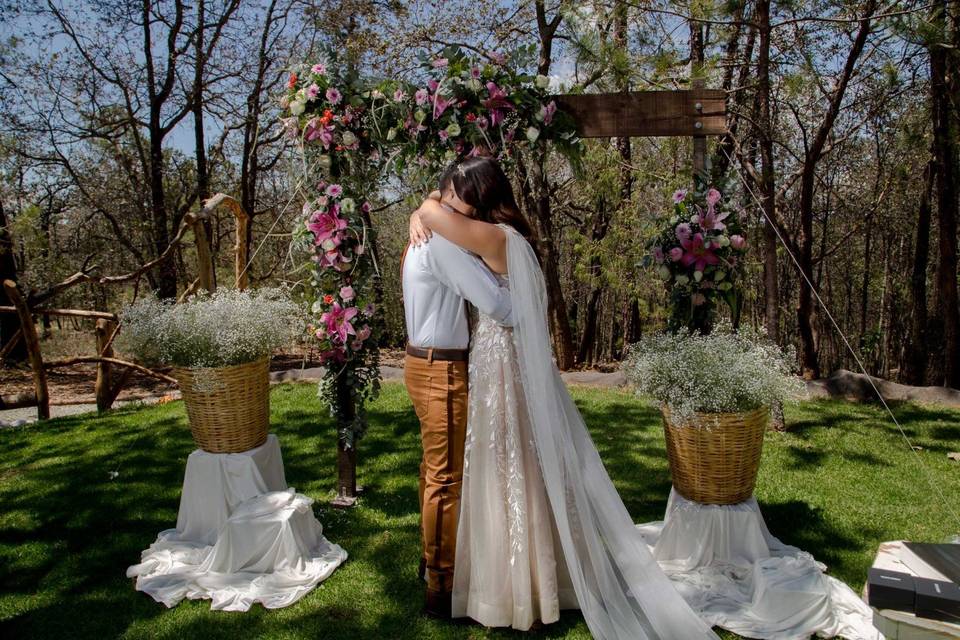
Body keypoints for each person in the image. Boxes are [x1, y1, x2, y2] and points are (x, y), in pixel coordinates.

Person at [408, 156, 720, 639]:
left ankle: (513, 582)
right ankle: (529, 572)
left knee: (508, 462)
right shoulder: (505, 237)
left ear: (484, 199)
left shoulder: (492, 238)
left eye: (457, 195)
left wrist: (425, 208)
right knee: (514, 462)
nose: (449, 204)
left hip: (501, 356)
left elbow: (495, 300)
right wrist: (430, 204)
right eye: (446, 194)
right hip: (498, 359)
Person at [400, 184, 513, 619]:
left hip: (420, 361)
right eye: (469, 202)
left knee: (432, 470)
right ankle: (441, 587)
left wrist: (423, 209)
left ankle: (431, 561)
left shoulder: (425, 232)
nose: (473, 211)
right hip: (440, 369)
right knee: (445, 478)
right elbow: (495, 305)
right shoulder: (442, 245)